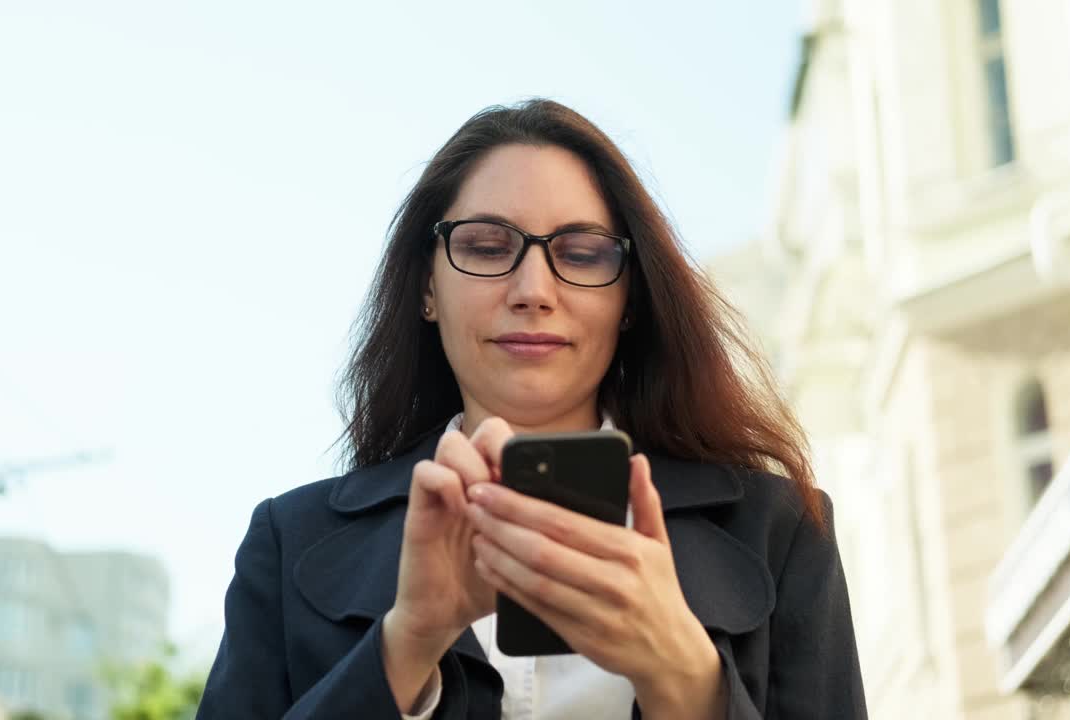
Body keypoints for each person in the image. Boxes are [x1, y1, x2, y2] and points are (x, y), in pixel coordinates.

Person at [195, 99, 868, 719]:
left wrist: (687, 680)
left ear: (629, 298)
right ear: (426, 286)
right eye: (487, 247)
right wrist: (405, 646)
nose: (533, 290)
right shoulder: (291, 540)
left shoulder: (778, 530)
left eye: (581, 253)